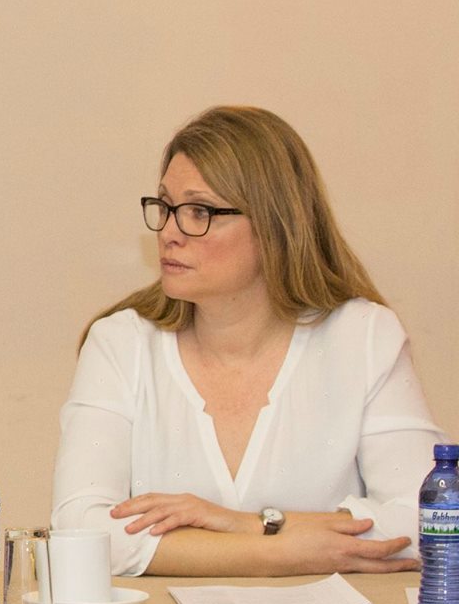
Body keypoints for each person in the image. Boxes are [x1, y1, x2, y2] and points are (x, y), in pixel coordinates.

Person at [52, 105, 444, 576]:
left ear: (275, 225)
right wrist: (278, 551)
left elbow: (430, 520)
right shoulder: (120, 343)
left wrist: (244, 523)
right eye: (166, 207)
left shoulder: (363, 336)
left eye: (199, 212)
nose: (170, 233)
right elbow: (80, 528)